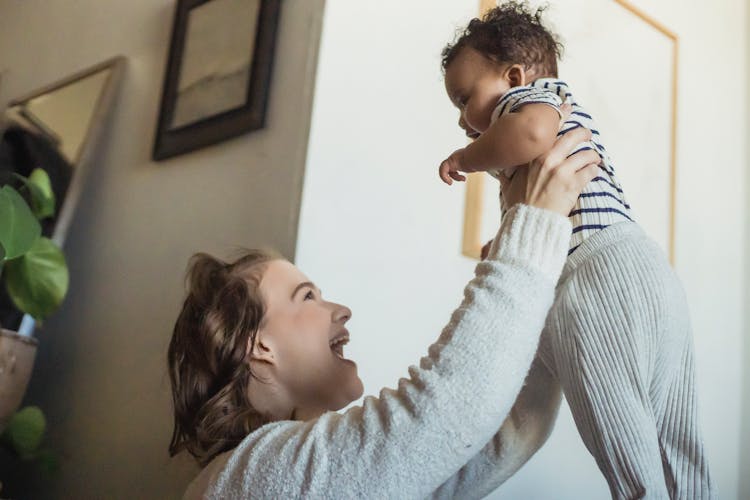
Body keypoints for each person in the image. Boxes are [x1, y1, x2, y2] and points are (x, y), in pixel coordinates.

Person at [167, 127, 599, 499]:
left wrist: (542, 280)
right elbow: (442, 417)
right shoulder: (245, 479)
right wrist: (532, 230)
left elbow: (506, 435)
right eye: (307, 297)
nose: (342, 310)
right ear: (259, 346)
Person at [438, 3, 713, 498]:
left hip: (593, 273)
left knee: (624, 441)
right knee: (677, 440)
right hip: (641, 263)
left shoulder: (525, 104)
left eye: (464, 98)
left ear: (514, 76)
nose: (462, 119)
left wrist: (466, 157)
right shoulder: (553, 106)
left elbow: (531, 134)